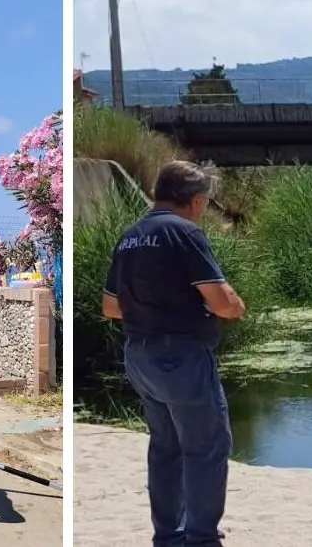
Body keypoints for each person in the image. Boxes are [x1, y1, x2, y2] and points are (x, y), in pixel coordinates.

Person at [100, 160, 245, 547]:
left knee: (165, 446)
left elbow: (110, 307)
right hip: (181, 354)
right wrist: (233, 306)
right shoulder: (185, 233)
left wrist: (151, 307)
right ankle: (201, 538)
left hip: (140, 356)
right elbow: (222, 302)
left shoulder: (130, 235)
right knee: (207, 446)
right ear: (195, 201)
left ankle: (168, 535)